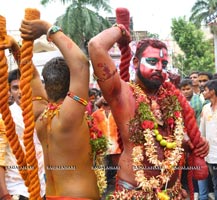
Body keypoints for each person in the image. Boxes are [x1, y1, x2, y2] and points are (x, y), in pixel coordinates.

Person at [88, 21, 209, 199]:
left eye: (164, 64)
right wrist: (121, 31)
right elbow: (95, 46)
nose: (159, 68)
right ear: (135, 62)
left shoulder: (171, 98)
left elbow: (173, 141)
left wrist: (193, 144)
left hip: (172, 192)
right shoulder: (122, 94)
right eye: (152, 61)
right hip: (134, 192)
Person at [19, 19, 102, 199]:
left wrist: (16, 48)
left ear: (46, 85)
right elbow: (80, 64)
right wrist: (46, 28)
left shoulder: (40, 115)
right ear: (72, 84)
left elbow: (31, 75)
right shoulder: (70, 116)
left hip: (51, 196)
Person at [0, 33, 46, 199]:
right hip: (17, 188)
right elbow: (0, 157)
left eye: (23, 86)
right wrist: (4, 193)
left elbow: (33, 74)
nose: (20, 91)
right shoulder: (5, 118)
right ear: (9, 91)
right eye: (15, 87)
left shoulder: (42, 111)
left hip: (43, 184)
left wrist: (15, 48)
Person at [92, 96, 122, 197]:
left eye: (106, 96)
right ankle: (101, 192)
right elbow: (93, 129)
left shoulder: (117, 112)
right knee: (102, 171)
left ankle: (118, 192)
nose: (105, 98)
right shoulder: (95, 114)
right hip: (102, 147)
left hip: (116, 146)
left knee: (118, 170)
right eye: (103, 97)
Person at [179, 78, 204, 199]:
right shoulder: (178, 101)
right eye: (183, 89)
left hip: (195, 135)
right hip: (182, 138)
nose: (186, 91)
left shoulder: (198, 101)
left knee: (196, 165)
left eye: (188, 89)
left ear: (192, 88)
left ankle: (197, 191)